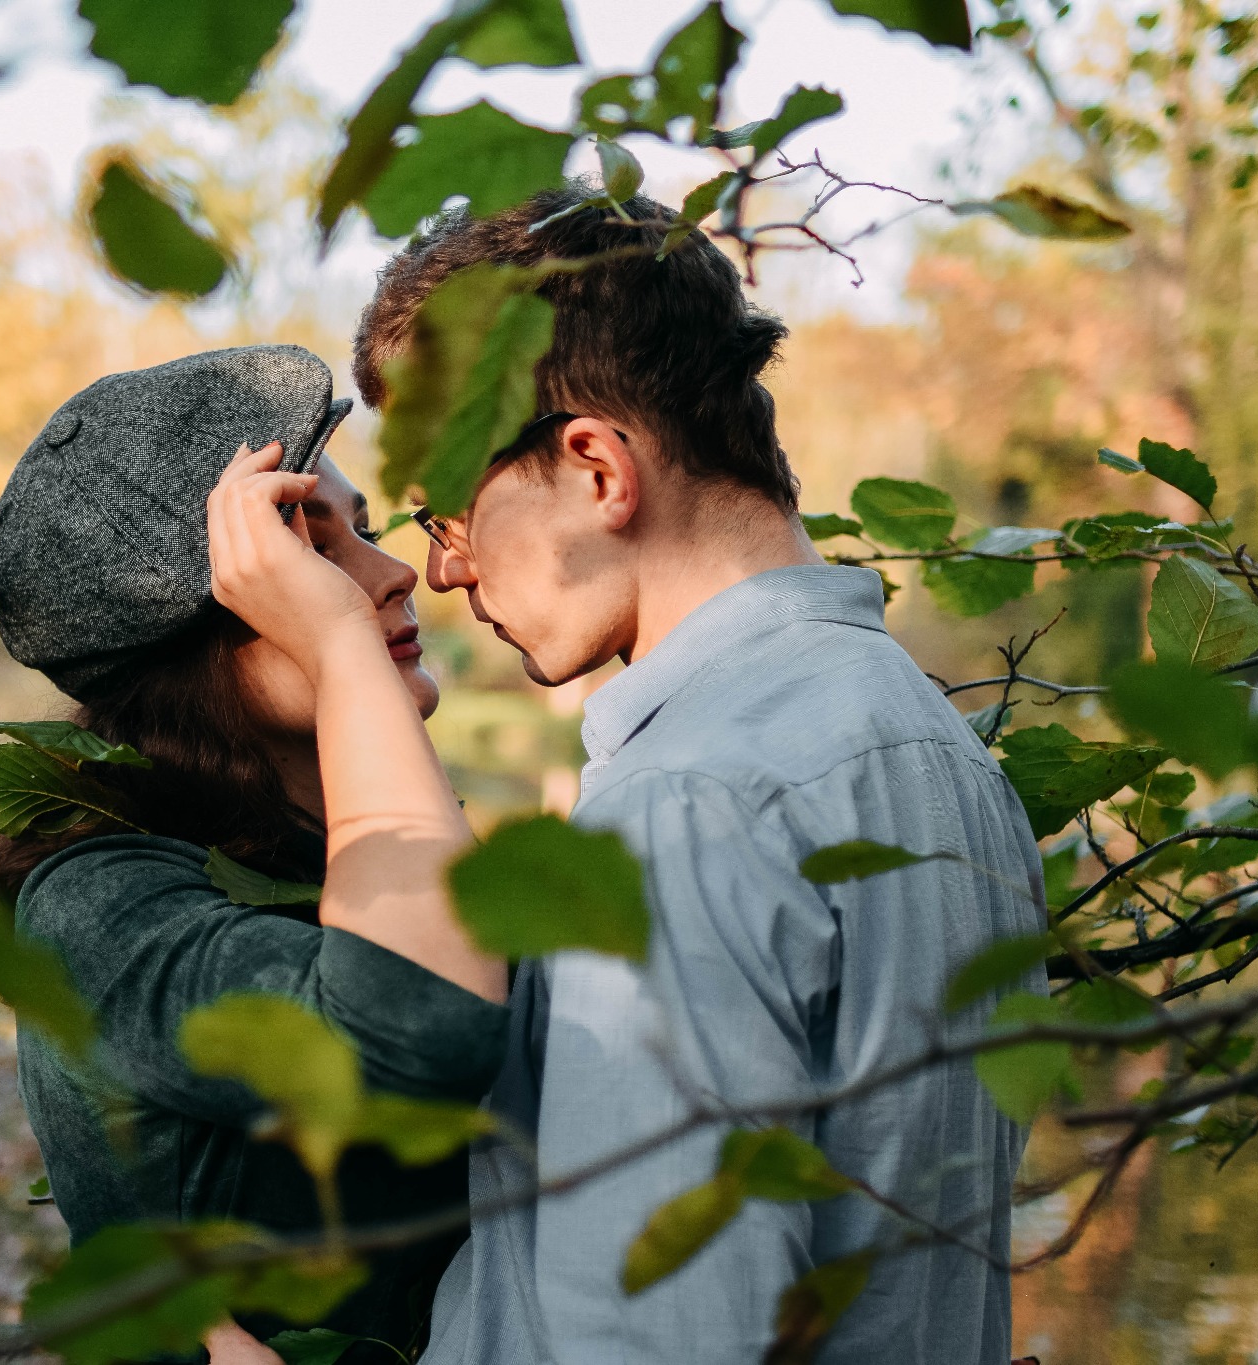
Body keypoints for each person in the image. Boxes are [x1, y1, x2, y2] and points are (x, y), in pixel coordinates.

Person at [349, 189, 1048, 1364]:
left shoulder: (680, 811)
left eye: (448, 510)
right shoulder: (935, 751)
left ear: (593, 471)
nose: (440, 572)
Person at [0, 345, 508, 1365]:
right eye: (310, 555)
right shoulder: (93, 900)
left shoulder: (337, 854)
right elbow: (414, 1029)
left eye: (362, 534)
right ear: (194, 634)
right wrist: (345, 648)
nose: (390, 576)